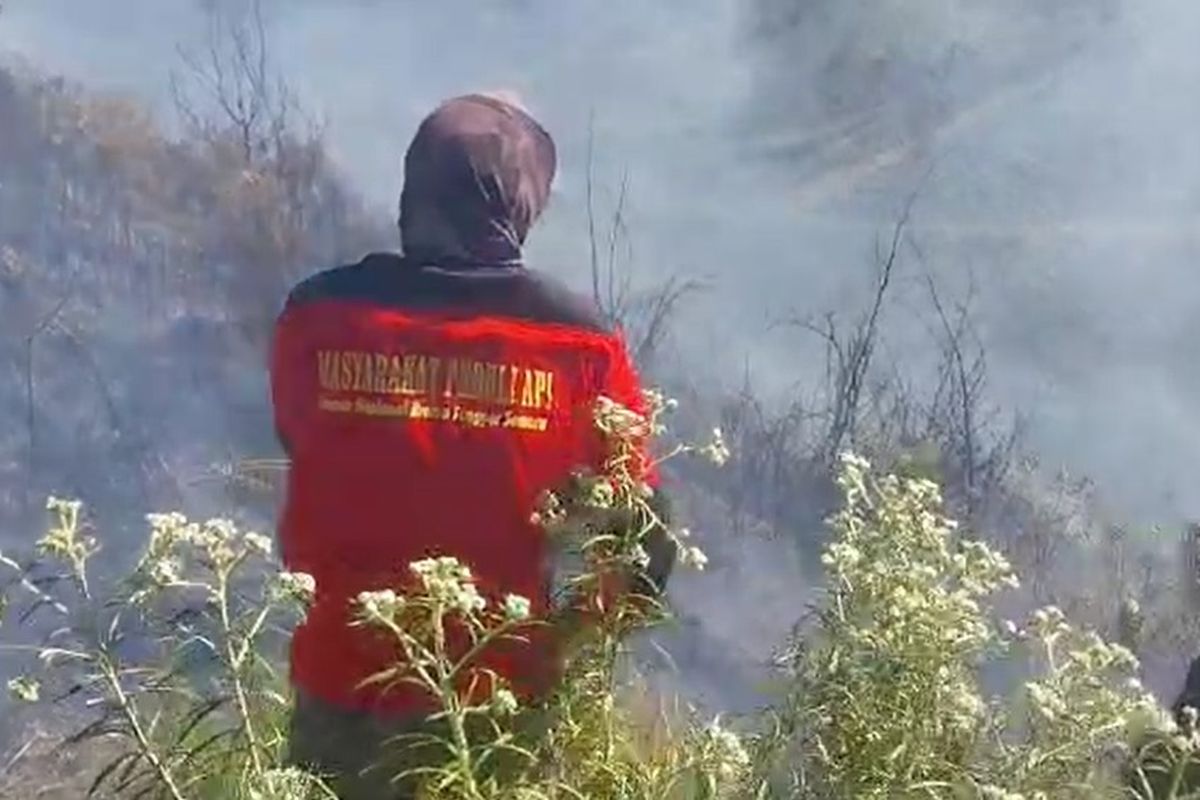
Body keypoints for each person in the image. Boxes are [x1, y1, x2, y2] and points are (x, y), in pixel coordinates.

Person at [269, 92, 674, 798]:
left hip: (338, 691)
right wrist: (570, 638)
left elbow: (299, 437)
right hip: (496, 705)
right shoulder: (579, 344)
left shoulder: (317, 316)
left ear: (413, 196)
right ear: (517, 208)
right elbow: (645, 536)